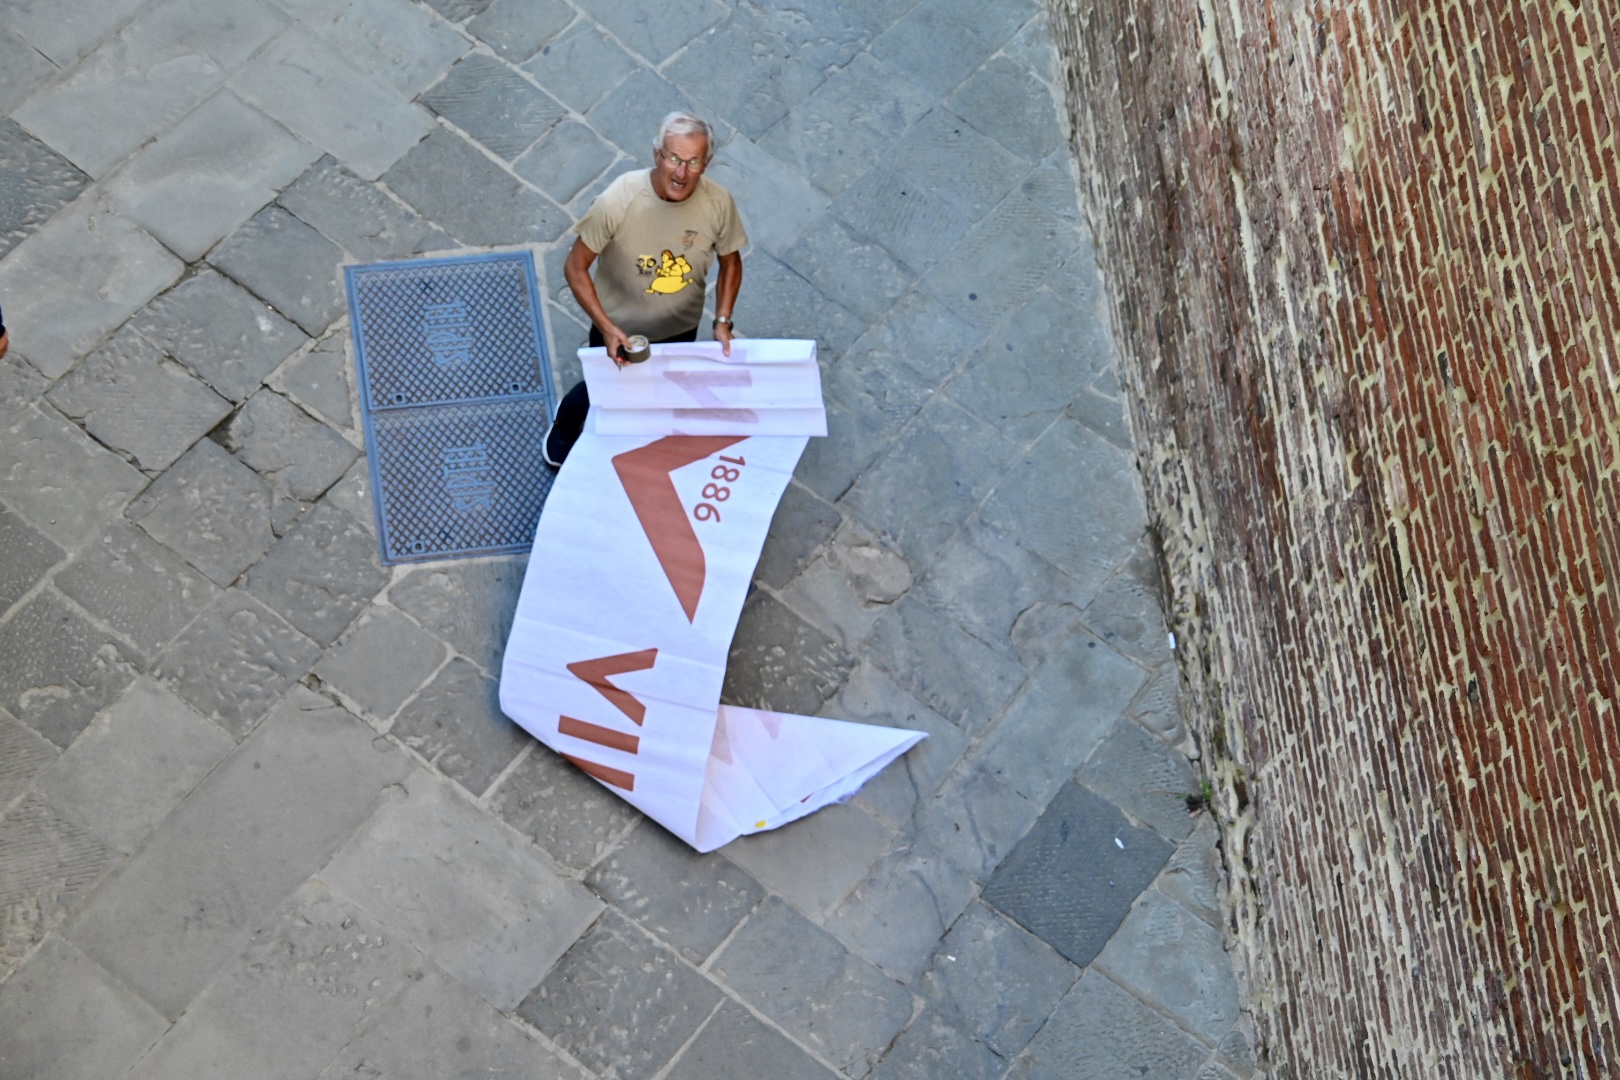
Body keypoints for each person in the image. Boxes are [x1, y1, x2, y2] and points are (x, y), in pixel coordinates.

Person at [543, 112, 748, 466]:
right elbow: (575, 267)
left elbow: (732, 262)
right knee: (604, 386)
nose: (681, 173)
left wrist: (723, 320)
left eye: (693, 162)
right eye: (674, 158)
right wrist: (607, 327)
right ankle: (567, 417)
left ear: (707, 163)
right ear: (657, 155)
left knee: (657, 389)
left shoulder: (719, 203)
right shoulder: (618, 200)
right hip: (617, 328)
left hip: (681, 329)